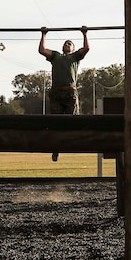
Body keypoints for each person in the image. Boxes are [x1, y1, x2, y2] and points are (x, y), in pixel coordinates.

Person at [38, 26, 90, 162]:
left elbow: (86, 49)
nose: (67, 44)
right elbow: (42, 50)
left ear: (73, 48)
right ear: (62, 48)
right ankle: (56, 149)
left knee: (73, 120)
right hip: (56, 92)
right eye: (65, 43)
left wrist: (84, 34)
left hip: (69, 91)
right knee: (56, 123)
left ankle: (73, 144)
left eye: (70, 43)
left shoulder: (75, 57)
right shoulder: (56, 56)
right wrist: (44, 34)